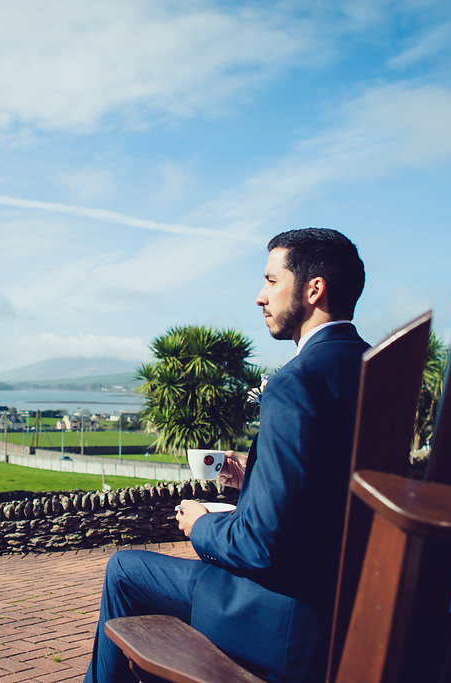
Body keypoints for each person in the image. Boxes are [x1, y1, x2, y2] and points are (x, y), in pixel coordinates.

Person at [84, 228, 370, 682]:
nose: (260, 297)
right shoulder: (372, 370)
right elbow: (334, 486)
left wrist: (202, 525)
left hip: (284, 619)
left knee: (124, 568)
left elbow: (259, 546)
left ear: (314, 290)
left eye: (271, 281)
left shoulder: (296, 384)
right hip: (351, 604)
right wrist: (254, 480)